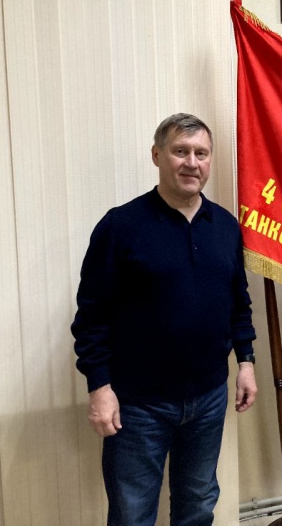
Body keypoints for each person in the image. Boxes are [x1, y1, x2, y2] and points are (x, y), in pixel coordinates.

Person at [71, 113, 257, 525]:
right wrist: (99, 387)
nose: (192, 162)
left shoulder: (226, 227)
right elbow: (91, 316)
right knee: (132, 513)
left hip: (209, 398)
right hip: (138, 405)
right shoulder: (121, 226)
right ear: (157, 156)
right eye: (180, 151)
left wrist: (246, 361)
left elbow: (237, 302)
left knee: (197, 506)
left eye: (201, 153)